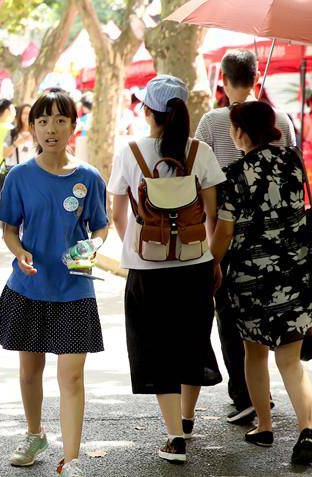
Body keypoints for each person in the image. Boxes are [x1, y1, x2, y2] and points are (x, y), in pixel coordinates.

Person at [0, 91, 109, 477]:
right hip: (29, 287)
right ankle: (34, 433)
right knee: (30, 371)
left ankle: (71, 460)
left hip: (75, 288)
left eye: (60, 120)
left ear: (74, 125)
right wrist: (19, 252)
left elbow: (101, 225)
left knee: (71, 376)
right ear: (33, 128)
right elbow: (9, 229)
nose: (51, 129)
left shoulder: (89, 177)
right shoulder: (19, 176)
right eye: (42, 121)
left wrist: (94, 244)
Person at [109, 75, 224, 464]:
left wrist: (136, 244)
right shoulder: (200, 152)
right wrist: (210, 256)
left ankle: (175, 437)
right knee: (191, 340)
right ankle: (187, 418)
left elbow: (116, 212)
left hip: (148, 270)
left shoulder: (131, 152)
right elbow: (213, 213)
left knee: (157, 349)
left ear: (147, 111)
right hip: (195, 266)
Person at [195, 48, 297, 425]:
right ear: (256, 77)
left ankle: (244, 395)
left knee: (230, 317)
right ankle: (266, 394)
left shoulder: (211, 120)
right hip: (277, 239)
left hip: (228, 231)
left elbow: (198, 176)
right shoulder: (281, 120)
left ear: (223, 79)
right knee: (272, 318)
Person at [210, 101, 312, 463]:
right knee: (291, 359)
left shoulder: (233, 172)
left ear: (240, 132)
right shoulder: (294, 162)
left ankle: (264, 426)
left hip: (250, 278)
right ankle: (307, 430)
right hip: (295, 272)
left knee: (254, 352)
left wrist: (212, 264)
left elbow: (224, 230)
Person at [0, 99, 16, 198]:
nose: (15, 113)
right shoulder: (10, 128)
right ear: (7, 111)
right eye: (13, 109)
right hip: (7, 168)